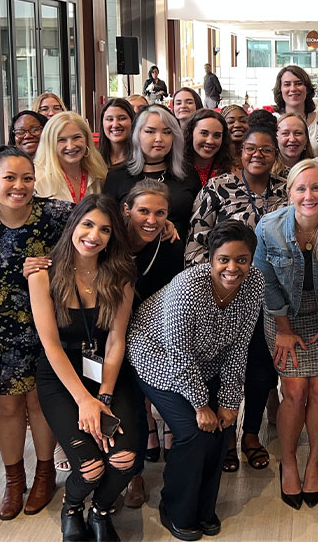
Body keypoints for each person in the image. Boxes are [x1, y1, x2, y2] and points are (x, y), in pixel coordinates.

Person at [128, 220, 264, 540]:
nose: (233, 268)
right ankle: (175, 508)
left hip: (207, 361)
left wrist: (229, 404)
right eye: (224, 260)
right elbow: (179, 354)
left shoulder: (255, 284)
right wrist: (201, 404)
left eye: (242, 260)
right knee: (192, 431)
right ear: (211, 258)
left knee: (222, 426)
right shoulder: (187, 288)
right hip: (155, 355)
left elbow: (239, 346)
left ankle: (203, 508)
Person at [29, 194, 138, 542]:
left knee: (124, 459)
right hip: (61, 376)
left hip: (105, 372)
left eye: (105, 229)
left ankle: (101, 510)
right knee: (90, 468)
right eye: (88, 224)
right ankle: (72, 506)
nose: (94, 235)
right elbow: (50, 344)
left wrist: (103, 394)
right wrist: (85, 401)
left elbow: (116, 340)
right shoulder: (43, 274)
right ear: (73, 224)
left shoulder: (120, 275)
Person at [253, 160, 318, 509]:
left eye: (316, 188)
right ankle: (289, 461)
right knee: (295, 389)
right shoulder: (269, 227)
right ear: (289, 193)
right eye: (301, 188)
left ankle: (314, 463)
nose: (309, 195)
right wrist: (284, 330)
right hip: (283, 313)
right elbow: (266, 283)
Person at [185, 126, 286, 473]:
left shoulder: (286, 192)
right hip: (222, 299)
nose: (257, 155)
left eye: (266, 150)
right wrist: (222, 285)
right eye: (250, 148)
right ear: (240, 152)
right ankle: (227, 435)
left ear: (276, 155)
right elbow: (197, 245)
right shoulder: (217, 188)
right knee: (223, 366)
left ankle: (251, 433)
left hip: (270, 296)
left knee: (261, 370)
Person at [0, 147, 72, 520]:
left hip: (47, 326)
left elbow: (99, 227)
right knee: (8, 405)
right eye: (10, 178)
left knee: (40, 402)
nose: (19, 186)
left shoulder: (54, 214)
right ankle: (13, 479)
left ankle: (45, 473)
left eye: (27, 178)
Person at [121, 180, 184, 506]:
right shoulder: (109, 240)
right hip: (111, 332)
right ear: (126, 210)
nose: (151, 219)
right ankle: (133, 476)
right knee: (128, 408)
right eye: (143, 211)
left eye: (160, 213)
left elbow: (173, 299)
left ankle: (171, 447)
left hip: (153, 332)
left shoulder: (170, 245)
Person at [103, 104, 201, 242]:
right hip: (130, 258)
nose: (159, 138)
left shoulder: (188, 174)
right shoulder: (117, 175)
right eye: (150, 131)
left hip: (180, 258)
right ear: (137, 135)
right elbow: (106, 224)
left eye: (167, 132)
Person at [32, 111, 107, 204]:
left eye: (76, 137)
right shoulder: (37, 179)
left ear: (86, 139)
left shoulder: (98, 174)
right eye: (61, 140)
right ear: (50, 144)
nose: (70, 146)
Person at [183, 109, 234, 187]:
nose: (210, 141)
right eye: (204, 133)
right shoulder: (176, 169)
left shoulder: (231, 172)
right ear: (190, 133)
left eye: (217, 135)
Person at [273, 65, 318, 150]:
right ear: (280, 90)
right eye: (287, 84)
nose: (293, 89)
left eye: (298, 84)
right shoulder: (272, 121)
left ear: (307, 89)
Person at [98, 98, 135, 169]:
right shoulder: (94, 160)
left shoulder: (142, 160)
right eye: (110, 119)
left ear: (132, 121)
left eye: (122, 118)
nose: (115, 125)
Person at [274, 113, 314, 177]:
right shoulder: (265, 172)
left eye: (298, 133)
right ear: (275, 139)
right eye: (285, 133)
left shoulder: (317, 171)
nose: (292, 139)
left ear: (306, 139)